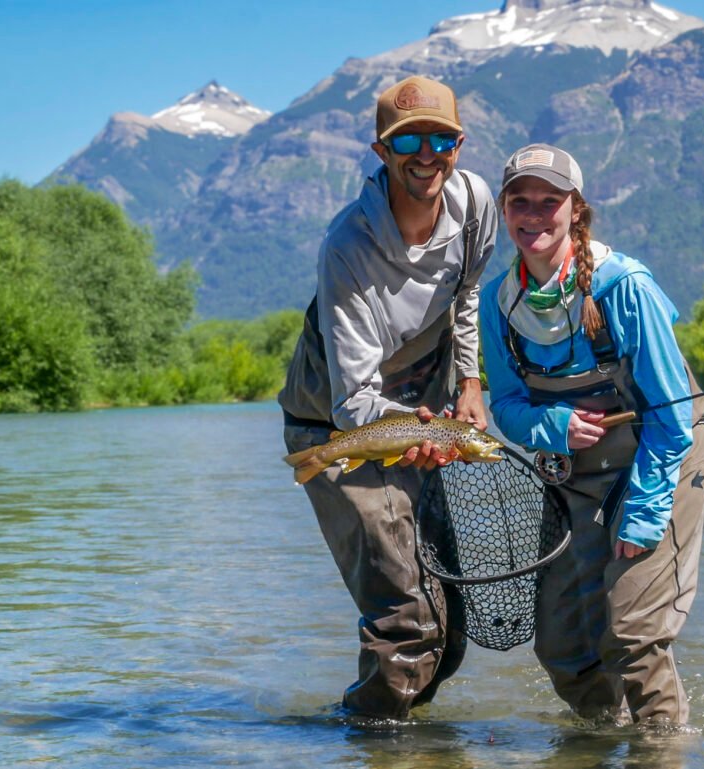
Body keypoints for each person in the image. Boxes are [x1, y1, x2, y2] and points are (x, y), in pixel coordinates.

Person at [277, 76, 498, 719]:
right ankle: (368, 739)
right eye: (409, 142)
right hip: (335, 428)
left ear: (459, 146)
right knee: (408, 624)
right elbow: (354, 403)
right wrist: (425, 435)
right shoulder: (347, 246)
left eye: (441, 139)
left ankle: (407, 747)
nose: (426, 154)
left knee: (447, 631)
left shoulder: (477, 203)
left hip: (419, 413)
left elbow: (467, 296)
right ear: (381, 151)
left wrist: (470, 384)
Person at [479, 144, 704, 725]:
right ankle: (604, 742)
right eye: (520, 202)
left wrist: (642, 513)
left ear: (576, 210)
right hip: (578, 477)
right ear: (505, 211)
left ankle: (662, 751)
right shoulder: (496, 302)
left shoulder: (623, 286)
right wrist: (552, 425)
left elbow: (670, 415)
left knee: (633, 632)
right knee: (564, 648)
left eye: (549, 201)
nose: (533, 215)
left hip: (664, 460)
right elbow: (505, 406)